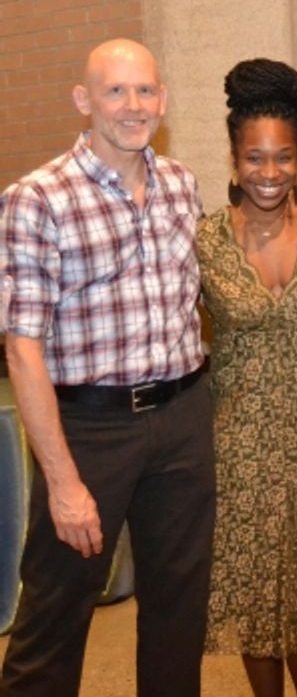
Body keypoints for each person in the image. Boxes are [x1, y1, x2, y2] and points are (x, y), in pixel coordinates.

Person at [0, 39, 214, 696]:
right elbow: (22, 347)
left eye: (145, 90)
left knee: (180, 612)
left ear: (163, 100)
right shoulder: (37, 198)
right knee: (55, 614)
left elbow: (200, 299)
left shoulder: (181, 185)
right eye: (115, 91)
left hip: (182, 417)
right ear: (84, 101)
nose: (132, 105)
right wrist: (62, 480)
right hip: (90, 431)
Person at [198, 58, 297, 697]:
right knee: (254, 592)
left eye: (283, 157)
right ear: (236, 160)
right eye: (256, 158)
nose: (271, 173)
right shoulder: (204, 239)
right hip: (236, 442)